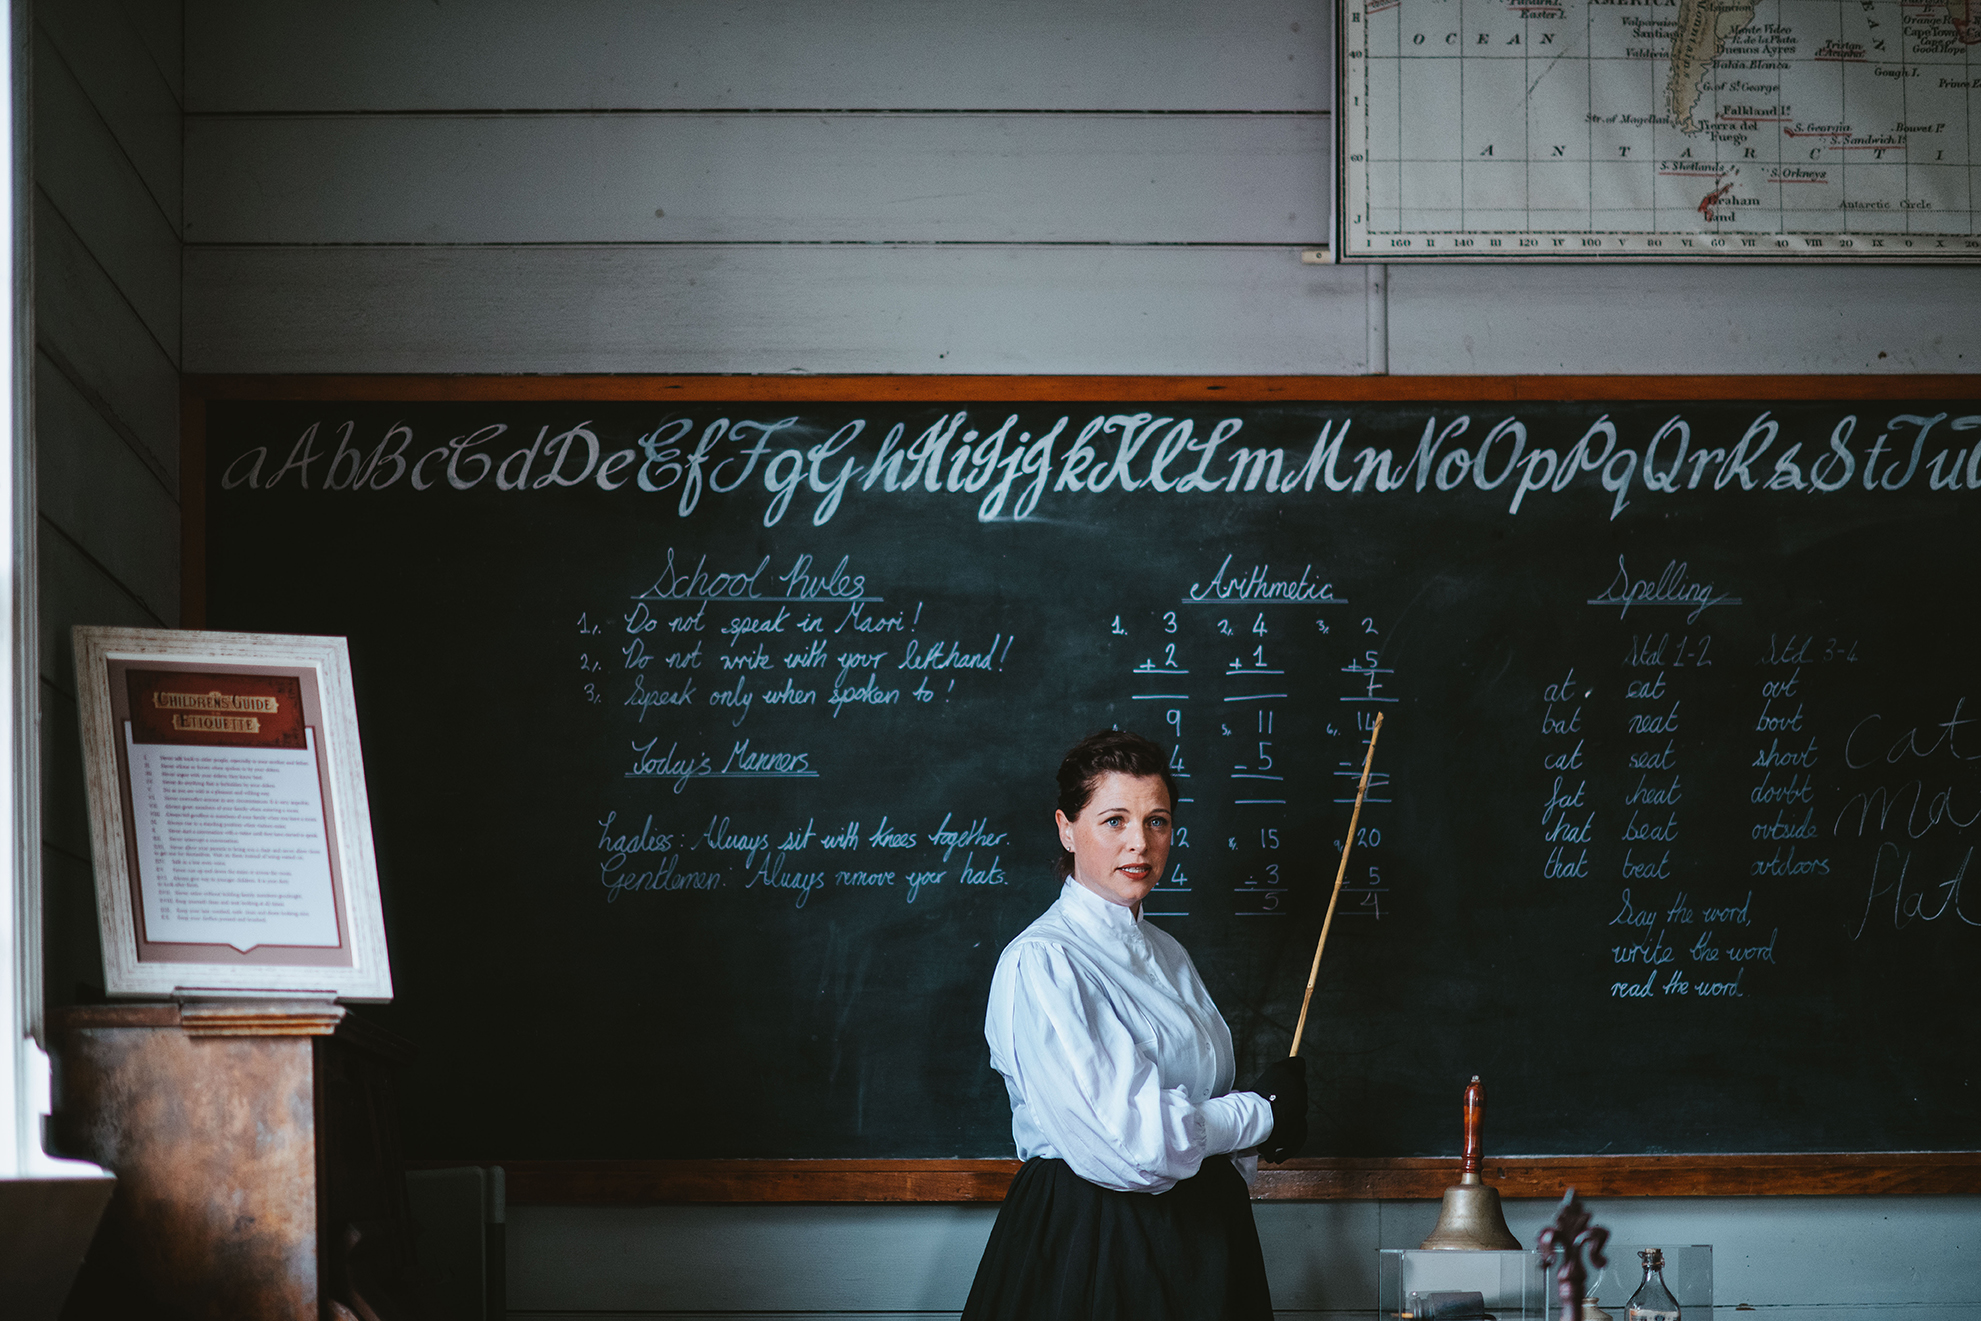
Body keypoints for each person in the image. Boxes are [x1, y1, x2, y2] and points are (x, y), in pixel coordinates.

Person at [961, 729, 1308, 1321]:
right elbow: (1136, 1144)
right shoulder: (1045, 960)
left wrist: (1246, 1132)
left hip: (1205, 1237)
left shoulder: (1168, 951)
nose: (1140, 844)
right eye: (1114, 820)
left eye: (1158, 822)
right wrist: (1262, 1112)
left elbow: (1196, 1110)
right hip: (1098, 1242)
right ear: (1067, 829)